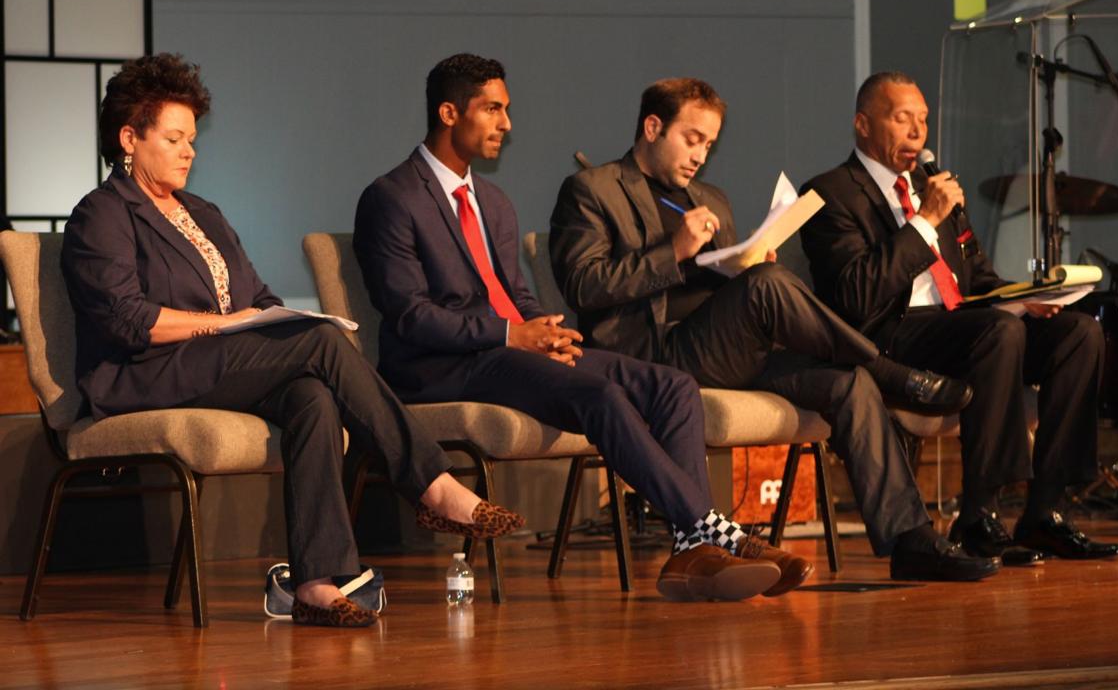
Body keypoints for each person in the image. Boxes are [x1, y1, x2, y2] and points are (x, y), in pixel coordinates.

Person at [61, 53, 524, 629]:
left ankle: (316, 583)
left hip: (215, 364)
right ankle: (431, 484)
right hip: (144, 372)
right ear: (129, 139)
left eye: (193, 140)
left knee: (313, 395)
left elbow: (258, 295)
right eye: (174, 139)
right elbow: (127, 320)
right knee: (320, 343)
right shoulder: (102, 214)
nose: (189, 152)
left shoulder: (202, 212)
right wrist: (224, 324)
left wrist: (264, 318)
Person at [353, 53, 803, 602]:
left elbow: (512, 292)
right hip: (442, 366)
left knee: (673, 387)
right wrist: (510, 335)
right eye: (492, 109)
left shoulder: (492, 201)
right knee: (601, 394)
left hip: (509, 351)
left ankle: (693, 552)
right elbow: (410, 315)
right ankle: (713, 534)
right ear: (449, 113)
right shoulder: (391, 198)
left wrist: (543, 329)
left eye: (506, 109)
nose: (506, 124)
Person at [549, 77, 997, 582]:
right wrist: (672, 252)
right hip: (650, 355)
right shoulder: (592, 189)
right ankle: (886, 368)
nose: (700, 156)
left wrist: (747, 264)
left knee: (846, 380)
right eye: (692, 139)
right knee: (768, 289)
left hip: (726, 349)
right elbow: (582, 285)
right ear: (653, 128)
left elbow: (728, 284)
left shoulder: (710, 199)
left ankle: (909, 539)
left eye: (709, 145)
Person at [800, 71, 1118, 563]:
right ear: (863, 125)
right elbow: (854, 296)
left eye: (924, 120)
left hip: (967, 329)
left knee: (1078, 333)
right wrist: (925, 221)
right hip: (890, 336)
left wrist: (1026, 297)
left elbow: (978, 279)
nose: (917, 132)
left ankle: (1046, 512)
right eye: (902, 118)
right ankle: (978, 515)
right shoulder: (830, 193)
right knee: (999, 330)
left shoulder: (934, 188)